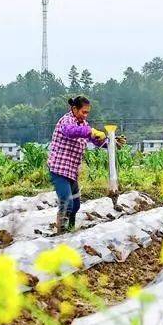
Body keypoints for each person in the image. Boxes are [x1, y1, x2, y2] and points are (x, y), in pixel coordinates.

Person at [47, 96, 112, 234]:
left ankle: (71, 230)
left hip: (71, 171)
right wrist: (90, 131)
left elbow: (95, 140)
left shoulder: (83, 124)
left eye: (87, 112)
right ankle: (61, 234)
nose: (85, 115)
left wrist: (111, 143)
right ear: (74, 109)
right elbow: (70, 131)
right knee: (67, 203)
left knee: (75, 205)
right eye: (84, 112)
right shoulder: (67, 120)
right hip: (59, 170)